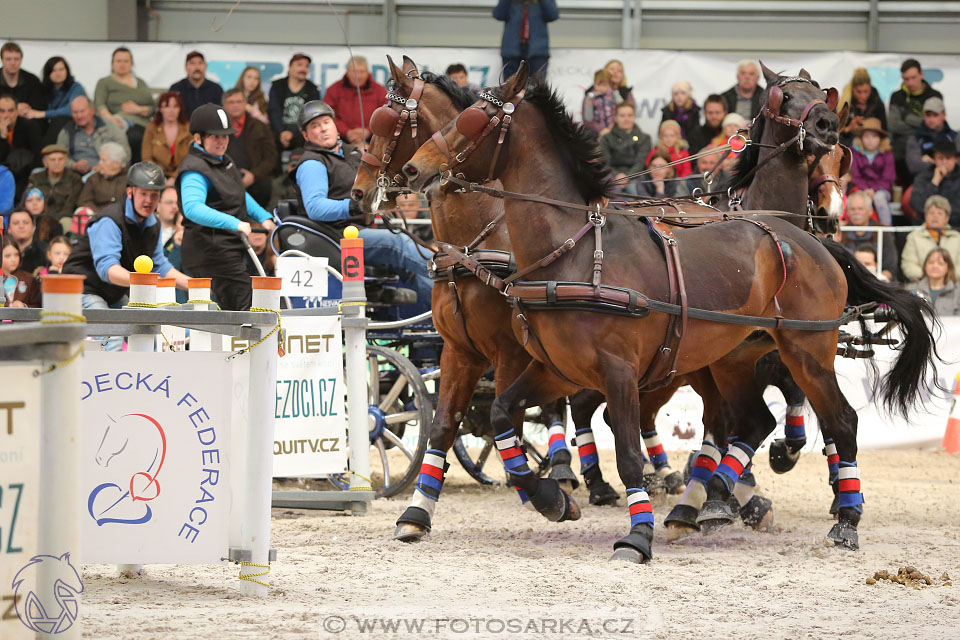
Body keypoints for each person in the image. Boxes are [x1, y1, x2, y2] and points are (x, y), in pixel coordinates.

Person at [293, 100, 432, 314]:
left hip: (361, 232)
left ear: (334, 124)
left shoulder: (352, 153)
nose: (322, 129)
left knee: (411, 272)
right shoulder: (313, 163)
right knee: (398, 243)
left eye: (326, 122)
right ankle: (447, 269)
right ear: (305, 135)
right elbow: (315, 208)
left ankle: (451, 316)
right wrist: (355, 207)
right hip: (337, 237)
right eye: (314, 126)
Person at [62, 162, 189, 349]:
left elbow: (159, 265)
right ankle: (105, 379)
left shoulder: (152, 224)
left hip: (112, 293)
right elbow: (108, 270)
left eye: (154, 195)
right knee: (111, 337)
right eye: (143, 193)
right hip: (82, 288)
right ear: (130, 192)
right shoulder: (109, 220)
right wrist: (142, 282)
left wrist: (195, 285)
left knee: (145, 329)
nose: (148, 200)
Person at [176, 103, 277, 311]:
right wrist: (236, 223)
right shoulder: (194, 169)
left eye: (226, 135)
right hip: (209, 249)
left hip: (227, 247)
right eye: (215, 136)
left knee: (244, 301)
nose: (222, 141)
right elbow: (193, 208)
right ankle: (240, 343)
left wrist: (264, 216)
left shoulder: (223, 160)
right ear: (198, 138)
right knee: (243, 304)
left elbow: (239, 193)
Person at [93, 47, 155, 164]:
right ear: (112, 64)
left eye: (126, 61)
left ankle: (138, 172)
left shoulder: (140, 83)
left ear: (131, 64)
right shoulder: (104, 83)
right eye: (119, 61)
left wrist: (138, 109)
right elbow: (100, 105)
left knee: (138, 137)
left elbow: (153, 107)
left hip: (141, 123)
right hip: (116, 121)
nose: (122, 64)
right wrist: (112, 120)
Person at [888, 59, 942, 184]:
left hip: (928, 150)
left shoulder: (934, 95)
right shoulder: (897, 96)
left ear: (921, 75)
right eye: (906, 79)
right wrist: (922, 125)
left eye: (913, 77)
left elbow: (935, 124)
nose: (910, 82)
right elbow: (893, 125)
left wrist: (907, 117)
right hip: (900, 152)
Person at [222, 88, 278, 207]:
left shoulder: (260, 127)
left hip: (256, 180)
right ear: (224, 105)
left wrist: (253, 175)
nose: (235, 105)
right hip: (225, 180)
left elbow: (271, 157)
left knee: (265, 187)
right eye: (231, 102)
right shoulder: (217, 129)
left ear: (245, 104)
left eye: (239, 102)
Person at [19, 56, 86, 145]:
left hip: (70, 124)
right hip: (49, 126)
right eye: (54, 70)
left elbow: (70, 110)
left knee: (59, 120)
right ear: (48, 73)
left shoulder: (76, 87)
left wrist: (42, 114)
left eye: (61, 69)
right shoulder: (43, 89)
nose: (58, 73)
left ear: (67, 71)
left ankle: (43, 154)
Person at [323, 57, 387, 147]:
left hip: (373, 142)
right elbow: (328, 115)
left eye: (362, 72)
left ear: (368, 72)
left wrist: (369, 131)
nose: (358, 76)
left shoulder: (380, 91)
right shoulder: (333, 90)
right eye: (354, 71)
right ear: (347, 71)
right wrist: (346, 132)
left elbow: (385, 116)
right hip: (339, 141)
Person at [56, 95, 129, 174]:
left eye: (82, 111)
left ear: (92, 110)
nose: (79, 116)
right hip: (78, 175)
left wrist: (105, 166)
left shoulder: (109, 125)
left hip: (109, 173)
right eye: (75, 112)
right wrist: (74, 165)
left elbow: (125, 152)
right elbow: (58, 156)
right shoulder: (67, 131)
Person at [838, 190, 897, 280]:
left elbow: (890, 268)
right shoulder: (842, 232)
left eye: (860, 209)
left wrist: (877, 282)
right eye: (852, 209)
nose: (856, 212)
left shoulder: (882, 232)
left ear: (870, 211)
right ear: (847, 212)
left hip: (876, 282)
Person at [268, 52, 319, 153]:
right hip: (279, 130)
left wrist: (293, 133)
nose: (303, 69)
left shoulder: (312, 89)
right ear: (290, 68)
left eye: (306, 66)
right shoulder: (277, 86)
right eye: (299, 65)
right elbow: (274, 112)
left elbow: (310, 116)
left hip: (302, 132)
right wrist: (282, 132)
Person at [493, 0, 558, 79]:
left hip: (537, 51)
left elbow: (553, 15)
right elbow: (499, 15)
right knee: (511, 88)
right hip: (511, 51)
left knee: (536, 88)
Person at [901, 195, 960, 281]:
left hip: (954, 286)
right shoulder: (914, 237)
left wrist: (946, 278)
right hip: (921, 284)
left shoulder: (957, 238)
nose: (935, 216)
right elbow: (908, 265)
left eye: (939, 213)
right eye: (931, 213)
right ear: (925, 216)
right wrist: (929, 277)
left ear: (947, 218)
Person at [850, 118, 896, 226]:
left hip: (881, 190)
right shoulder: (854, 152)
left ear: (880, 139)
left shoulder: (887, 153)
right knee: (857, 201)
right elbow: (855, 176)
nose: (870, 140)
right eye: (866, 136)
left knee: (880, 198)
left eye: (874, 136)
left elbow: (888, 179)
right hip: (860, 188)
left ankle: (886, 232)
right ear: (861, 138)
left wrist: (873, 190)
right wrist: (865, 189)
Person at [141, 91, 191, 185]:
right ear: (160, 109)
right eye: (167, 106)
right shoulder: (151, 128)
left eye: (175, 106)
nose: (171, 110)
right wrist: (159, 177)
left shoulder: (188, 128)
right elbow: (146, 157)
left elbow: (191, 157)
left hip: (183, 174)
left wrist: (175, 176)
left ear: (180, 109)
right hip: (156, 176)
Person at [909, 140, 960, 227]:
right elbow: (917, 205)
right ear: (934, 159)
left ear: (955, 159)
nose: (944, 162)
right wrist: (934, 182)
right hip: (926, 227)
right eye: (940, 158)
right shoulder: (923, 177)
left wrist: (941, 216)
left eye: (948, 158)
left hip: (957, 226)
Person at [0, 92, 42, 194]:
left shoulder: (30, 126)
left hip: (25, 173)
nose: (6, 115)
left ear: (17, 112)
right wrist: (3, 137)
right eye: (2, 111)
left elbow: (38, 156)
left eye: (10, 111)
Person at [23, 144, 81, 218]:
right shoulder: (35, 178)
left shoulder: (75, 179)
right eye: (52, 160)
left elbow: (70, 205)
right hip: (40, 217)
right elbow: (28, 201)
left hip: (64, 218)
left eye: (60, 159)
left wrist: (55, 220)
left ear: (65, 161)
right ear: (45, 162)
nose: (57, 163)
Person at [906, 97, 957, 177]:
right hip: (924, 182)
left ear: (944, 115)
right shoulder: (916, 138)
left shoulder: (954, 137)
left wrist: (933, 162)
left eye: (935, 115)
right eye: (928, 115)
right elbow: (913, 166)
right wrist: (947, 163)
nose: (931, 119)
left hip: (953, 182)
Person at [600, 102, 651, 180]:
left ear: (634, 117)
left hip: (636, 177)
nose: (626, 119)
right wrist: (617, 175)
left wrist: (627, 177)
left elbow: (640, 163)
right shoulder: (606, 138)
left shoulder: (644, 138)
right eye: (622, 116)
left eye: (630, 115)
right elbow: (605, 163)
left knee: (633, 189)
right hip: (612, 176)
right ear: (615, 118)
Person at [838, 67, 887, 147]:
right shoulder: (844, 104)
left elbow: (884, 131)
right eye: (859, 92)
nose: (863, 96)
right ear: (853, 89)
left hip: (873, 149)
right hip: (848, 147)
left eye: (866, 91)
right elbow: (834, 135)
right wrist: (849, 128)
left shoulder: (877, 103)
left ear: (870, 88)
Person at [905, 247, 960, 315]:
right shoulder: (910, 289)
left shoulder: (958, 291)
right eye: (931, 262)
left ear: (948, 268)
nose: (935, 266)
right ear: (925, 266)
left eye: (940, 263)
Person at [77, 142, 128, 213]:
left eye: (103, 160)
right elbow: (84, 201)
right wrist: (100, 214)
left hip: (123, 218)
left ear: (117, 164)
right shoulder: (93, 179)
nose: (99, 163)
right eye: (100, 159)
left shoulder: (130, 179)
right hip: (97, 218)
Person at [169, 51, 223, 117]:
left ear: (205, 67)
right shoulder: (176, 88)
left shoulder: (216, 89)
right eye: (192, 63)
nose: (197, 67)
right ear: (186, 67)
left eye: (200, 63)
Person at [0, 42, 44, 113]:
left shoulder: (32, 81)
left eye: (16, 59)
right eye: (8, 59)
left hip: (25, 119)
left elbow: (39, 108)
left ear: (21, 60)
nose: (13, 63)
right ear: (2, 60)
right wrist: (15, 108)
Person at [1, 236, 40, 307]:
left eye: (16, 255)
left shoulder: (29, 279)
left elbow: (37, 305)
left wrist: (23, 306)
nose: (13, 259)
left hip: (22, 317)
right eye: (8, 256)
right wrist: (9, 306)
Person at [581, 69, 617, 139]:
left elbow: (617, 112)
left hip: (612, 130)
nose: (601, 87)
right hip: (595, 132)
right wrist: (601, 129)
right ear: (594, 84)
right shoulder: (589, 97)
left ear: (609, 85)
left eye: (604, 85)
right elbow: (587, 119)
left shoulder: (613, 96)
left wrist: (612, 126)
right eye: (598, 84)